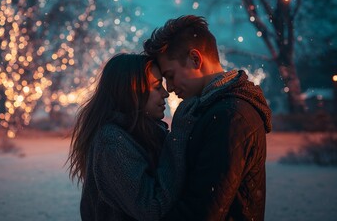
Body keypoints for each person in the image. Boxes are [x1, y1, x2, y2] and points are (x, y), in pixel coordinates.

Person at [143, 15, 272, 220]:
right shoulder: (215, 110)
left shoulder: (230, 117)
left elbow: (201, 212)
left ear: (195, 59)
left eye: (170, 75)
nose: (170, 88)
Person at [67, 53, 195, 220]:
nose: (165, 93)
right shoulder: (111, 143)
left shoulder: (144, 132)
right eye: (157, 87)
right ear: (130, 91)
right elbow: (152, 208)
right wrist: (179, 135)